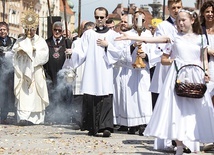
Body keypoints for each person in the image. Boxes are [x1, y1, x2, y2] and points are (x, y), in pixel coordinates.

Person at [116, 8, 214, 155]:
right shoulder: (174, 37)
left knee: (195, 111)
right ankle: (179, 145)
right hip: (178, 76)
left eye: (183, 20)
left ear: (192, 20)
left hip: (195, 75)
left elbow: (204, 58)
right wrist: (135, 38)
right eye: (178, 20)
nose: (180, 23)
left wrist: (206, 72)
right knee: (177, 111)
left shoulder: (201, 38)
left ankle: (194, 144)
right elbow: (154, 40)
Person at [66, 7, 123, 137]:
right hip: (91, 70)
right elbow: (82, 51)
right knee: (91, 95)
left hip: (105, 70)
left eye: (102, 17)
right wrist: (73, 52)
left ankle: (106, 126)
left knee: (106, 96)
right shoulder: (88, 34)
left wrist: (107, 45)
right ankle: (92, 126)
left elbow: (118, 54)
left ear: (106, 18)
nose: (99, 20)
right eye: (97, 17)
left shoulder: (112, 35)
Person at [119, 10, 153, 136]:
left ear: (145, 21)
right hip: (130, 70)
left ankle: (144, 124)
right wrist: (133, 46)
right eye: (137, 19)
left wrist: (146, 55)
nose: (140, 22)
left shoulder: (149, 34)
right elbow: (121, 53)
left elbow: (155, 51)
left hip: (143, 70)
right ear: (133, 20)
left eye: (142, 20)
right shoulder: (127, 34)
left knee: (143, 98)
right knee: (131, 98)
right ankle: (132, 124)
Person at [12, 24, 49, 126]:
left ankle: (37, 118)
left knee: (36, 95)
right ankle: (23, 117)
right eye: (27, 29)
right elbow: (14, 54)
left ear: (36, 29)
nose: (30, 31)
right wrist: (20, 53)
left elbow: (45, 56)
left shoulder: (40, 41)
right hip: (23, 72)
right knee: (24, 95)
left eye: (32, 29)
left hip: (36, 71)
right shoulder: (20, 41)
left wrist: (34, 51)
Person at [44, 21, 73, 124]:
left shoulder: (67, 42)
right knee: (51, 94)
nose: (57, 32)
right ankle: (51, 117)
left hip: (63, 73)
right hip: (50, 72)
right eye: (55, 30)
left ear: (62, 31)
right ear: (52, 30)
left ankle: (64, 117)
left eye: (59, 30)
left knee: (64, 94)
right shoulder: (47, 42)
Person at [200, 0, 214, 151]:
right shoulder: (200, 30)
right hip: (206, 68)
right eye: (207, 11)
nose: (210, 14)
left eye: (212, 11)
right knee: (205, 103)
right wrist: (208, 51)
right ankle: (205, 137)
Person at [0, 22, 16, 124]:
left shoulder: (13, 41)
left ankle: (10, 114)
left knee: (10, 93)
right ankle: (2, 115)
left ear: (7, 30)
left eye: (4, 29)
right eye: (0, 30)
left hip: (10, 72)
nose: (2, 31)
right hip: (0, 70)